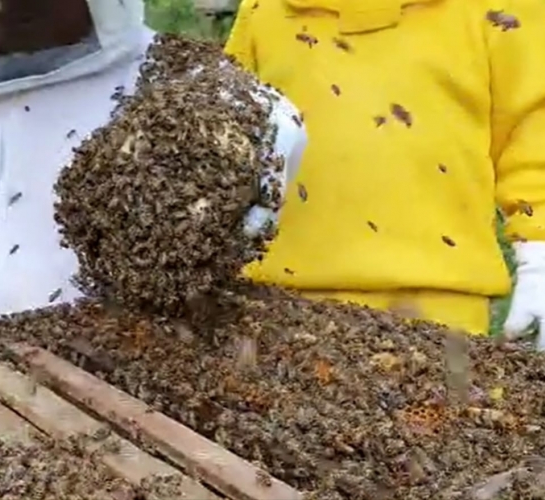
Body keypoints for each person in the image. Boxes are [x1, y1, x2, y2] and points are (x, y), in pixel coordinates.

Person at [0, 0, 308, 400]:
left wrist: (250, 139)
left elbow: (268, 118)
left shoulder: (191, 94)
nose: (7, 5)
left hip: (131, 421)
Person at [225, 0, 545, 343]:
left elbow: (532, 129)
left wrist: (539, 254)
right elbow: (225, 134)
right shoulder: (265, 12)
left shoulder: (498, 9)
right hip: (278, 307)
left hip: (440, 308)